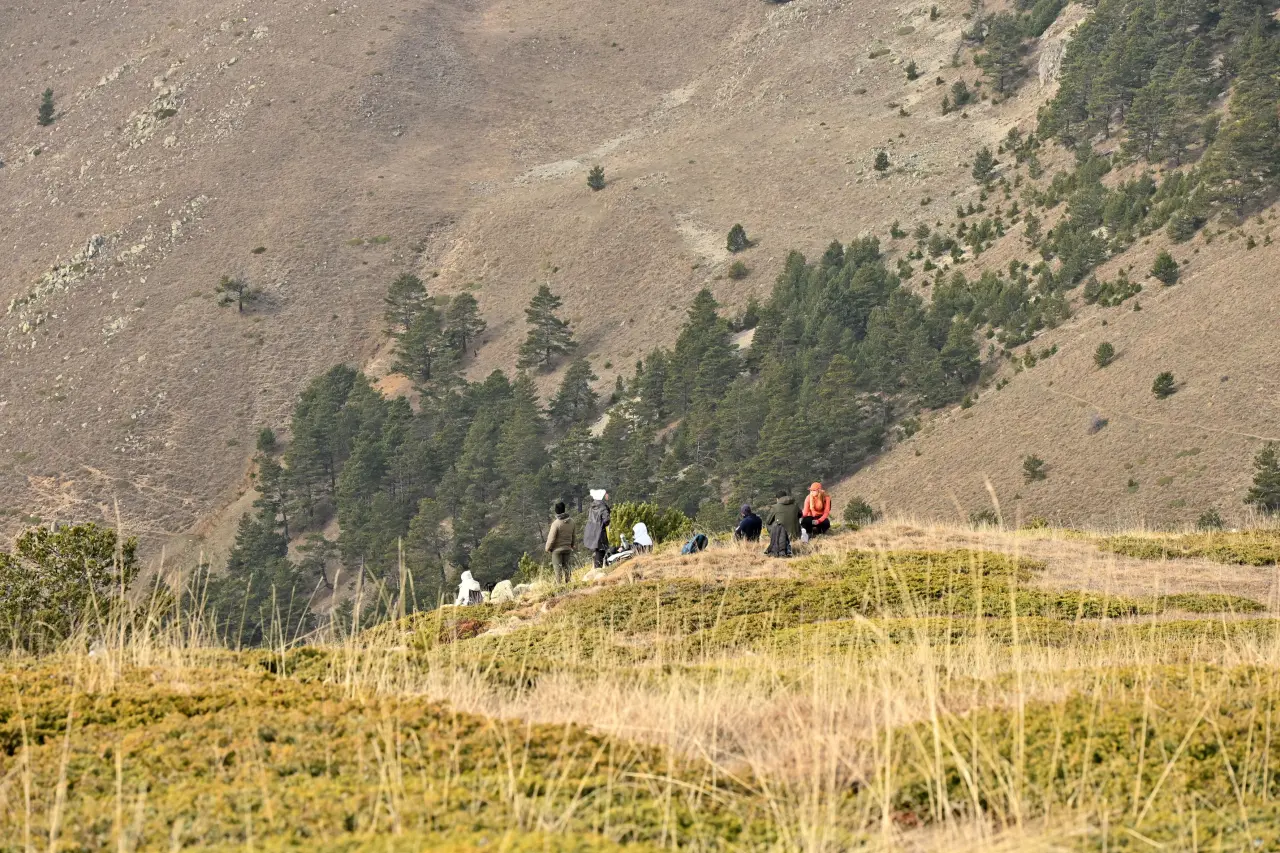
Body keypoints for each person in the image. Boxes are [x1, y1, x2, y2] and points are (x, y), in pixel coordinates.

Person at [545, 501, 576, 583]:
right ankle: (568, 583)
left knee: (557, 569)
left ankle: (559, 586)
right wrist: (572, 545)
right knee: (567, 567)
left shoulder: (556, 524)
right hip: (568, 548)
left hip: (557, 550)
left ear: (556, 511)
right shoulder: (572, 522)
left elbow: (551, 539)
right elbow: (573, 535)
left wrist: (547, 548)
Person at [583, 488, 612, 569]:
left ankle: (597, 568)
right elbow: (606, 520)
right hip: (600, 531)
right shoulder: (603, 506)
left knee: (596, 550)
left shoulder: (592, 506)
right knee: (601, 550)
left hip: (591, 530)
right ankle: (600, 570)